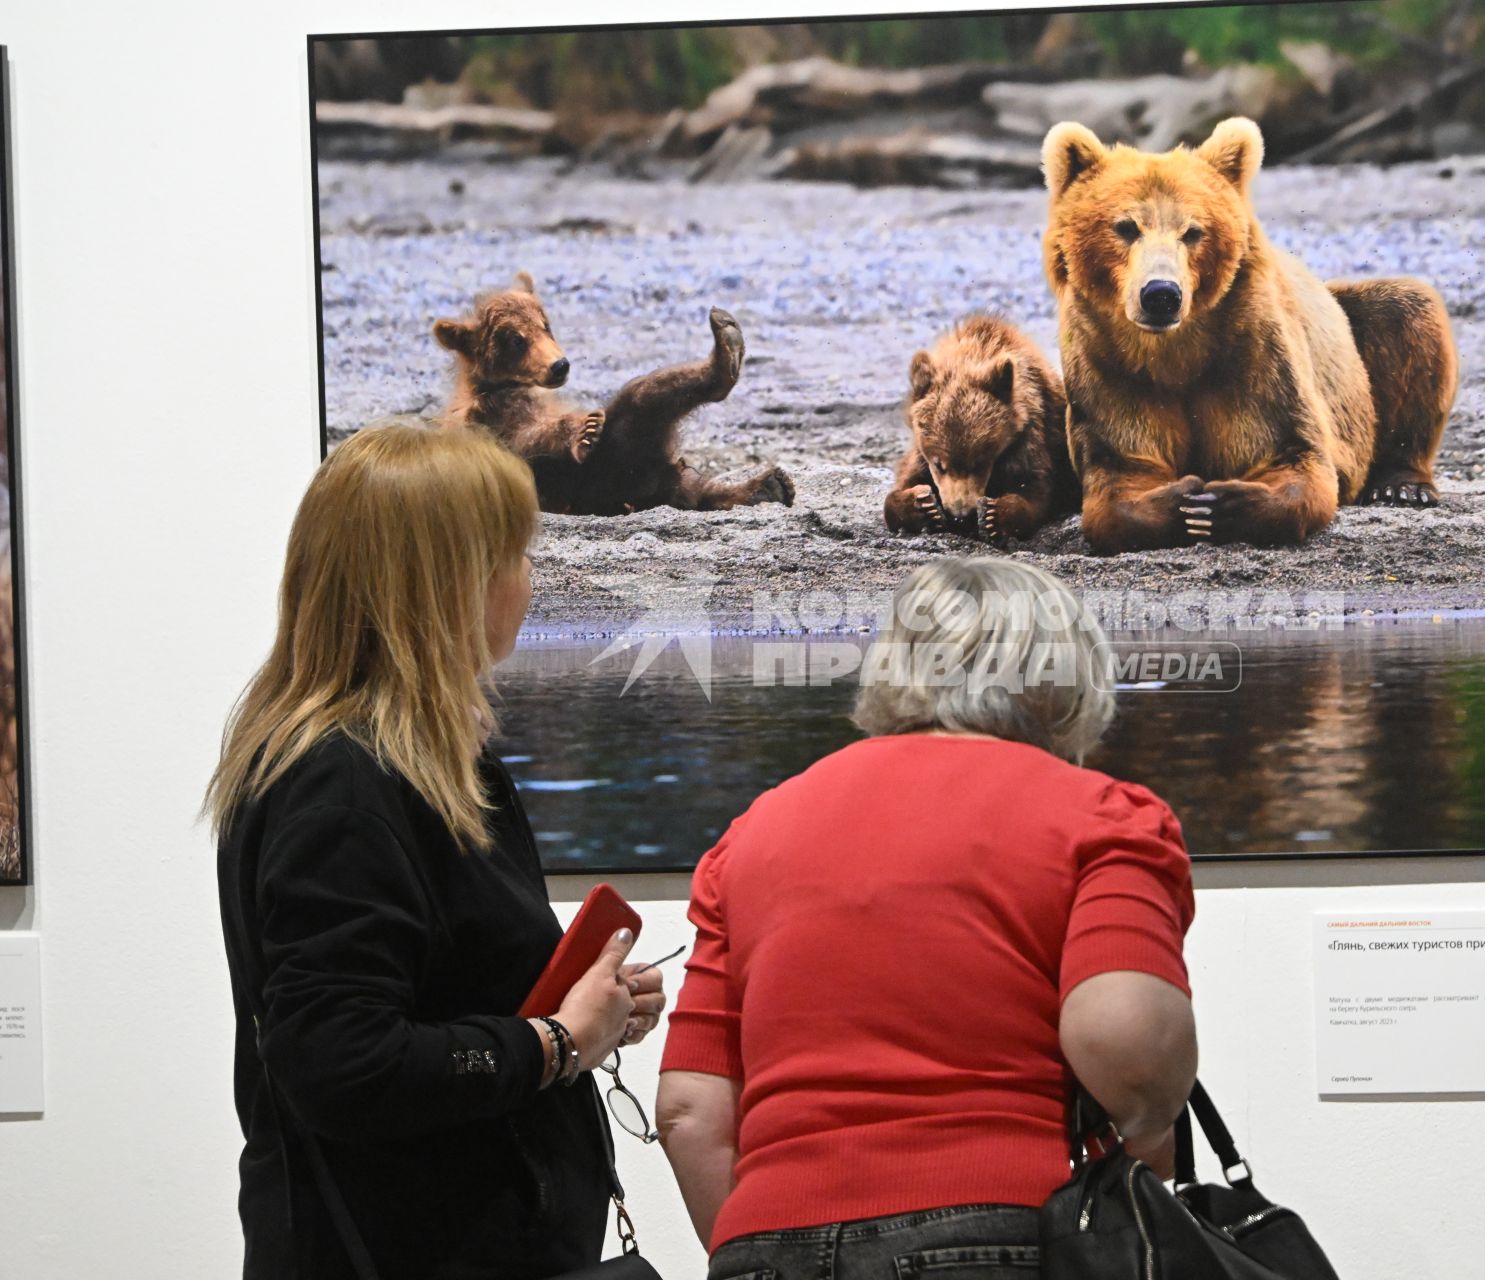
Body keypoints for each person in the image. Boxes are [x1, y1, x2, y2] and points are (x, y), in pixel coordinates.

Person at [208, 425, 666, 1279]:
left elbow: (440, 993)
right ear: (449, 582)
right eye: (516, 555)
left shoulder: (433, 764)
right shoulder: (342, 787)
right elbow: (341, 1059)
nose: (531, 582)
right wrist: (554, 1044)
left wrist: (583, 1010)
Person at [656, 558, 1198, 1278]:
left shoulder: (750, 834)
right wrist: (1148, 1129)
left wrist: (760, 1242)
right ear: (1066, 675)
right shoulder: (1106, 817)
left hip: (765, 1236)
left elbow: (689, 1110)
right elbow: (1125, 1043)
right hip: (999, 1227)